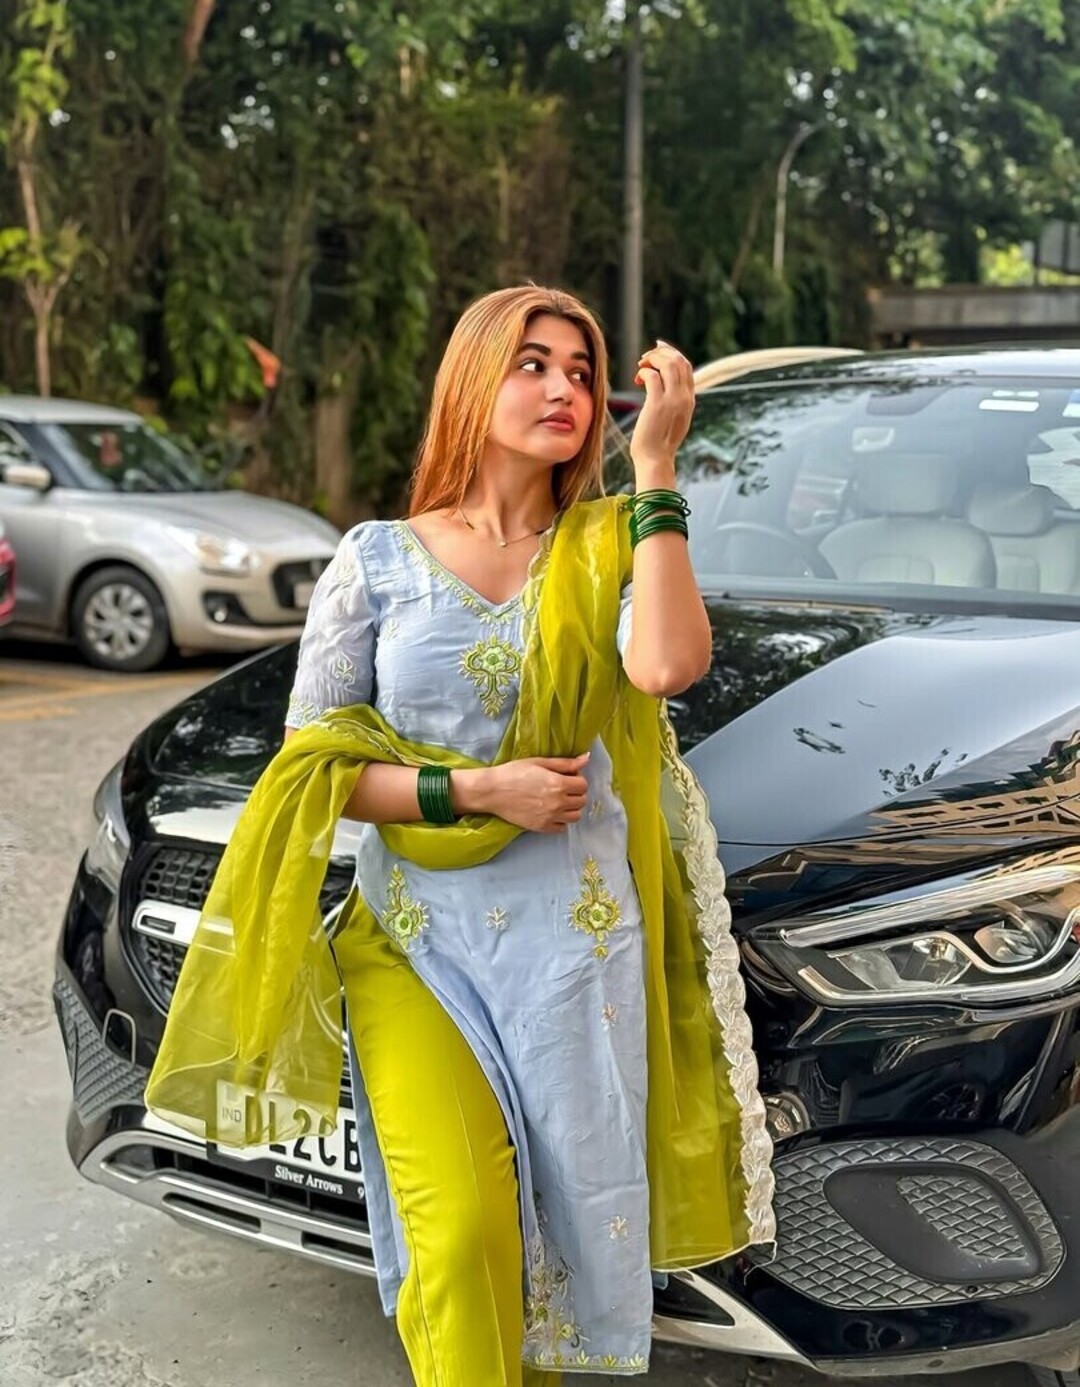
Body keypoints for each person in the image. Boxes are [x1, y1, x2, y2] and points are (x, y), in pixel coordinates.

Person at [145, 285, 775, 1385]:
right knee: (462, 1236)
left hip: (574, 957)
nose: (563, 388)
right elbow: (314, 771)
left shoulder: (607, 545)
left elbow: (668, 664)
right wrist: (478, 791)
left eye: (582, 372)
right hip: (416, 942)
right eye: (533, 363)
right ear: (472, 381)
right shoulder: (378, 559)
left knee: (549, 1246)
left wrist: (657, 470)